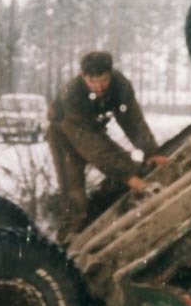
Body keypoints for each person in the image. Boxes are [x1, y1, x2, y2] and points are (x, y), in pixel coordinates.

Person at [47, 51, 168, 244]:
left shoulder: (120, 85)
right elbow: (93, 149)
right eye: (93, 81)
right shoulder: (71, 96)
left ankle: (103, 211)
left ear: (111, 74)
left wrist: (152, 152)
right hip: (64, 135)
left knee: (132, 166)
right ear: (83, 76)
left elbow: (133, 121)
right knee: (74, 193)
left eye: (103, 80)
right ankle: (67, 241)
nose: (99, 86)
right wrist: (128, 176)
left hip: (93, 130)